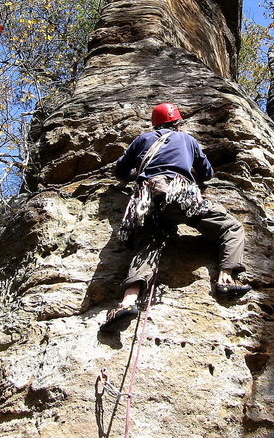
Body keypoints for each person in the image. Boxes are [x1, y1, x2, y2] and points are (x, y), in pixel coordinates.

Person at [101, 102, 250, 331]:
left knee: (147, 248)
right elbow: (207, 173)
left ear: (155, 123)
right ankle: (226, 280)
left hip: (147, 202)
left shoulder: (142, 139)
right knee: (230, 227)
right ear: (177, 122)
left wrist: (139, 172)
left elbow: (120, 172)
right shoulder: (187, 140)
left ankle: (127, 303)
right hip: (180, 196)